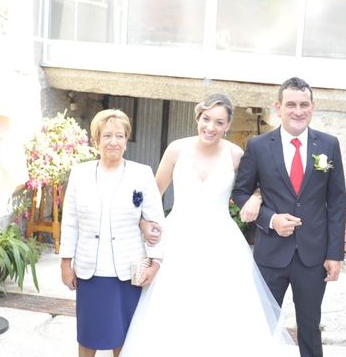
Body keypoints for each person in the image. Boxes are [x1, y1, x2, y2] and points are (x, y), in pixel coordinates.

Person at [119, 94, 296, 356]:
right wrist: (145, 223)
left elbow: (259, 187)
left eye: (219, 122)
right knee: (173, 310)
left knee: (222, 311)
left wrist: (256, 199)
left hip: (221, 242)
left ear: (227, 126)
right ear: (198, 117)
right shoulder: (177, 149)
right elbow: (153, 195)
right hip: (178, 237)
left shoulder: (236, 154)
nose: (210, 127)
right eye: (206, 119)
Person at [232, 77, 346, 357]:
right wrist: (271, 219)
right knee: (263, 325)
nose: (298, 111)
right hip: (271, 253)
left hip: (313, 255)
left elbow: (337, 201)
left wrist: (335, 254)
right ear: (278, 107)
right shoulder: (258, 146)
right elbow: (241, 192)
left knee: (310, 325)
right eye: (291, 104)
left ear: (313, 107)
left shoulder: (328, 145)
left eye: (304, 105)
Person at [59, 109, 166, 357]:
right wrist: (66, 263)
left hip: (128, 270)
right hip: (90, 269)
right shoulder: (80, 174)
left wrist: (156, 261)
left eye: (120, 135)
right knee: (88, 333)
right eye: (107, 135)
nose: (113, 141)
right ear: (96, 140)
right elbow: (71, 222)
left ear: (127, 141)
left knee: (124, 334)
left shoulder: (142, 173)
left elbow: (156, 222)